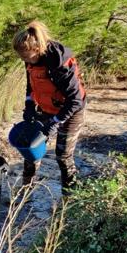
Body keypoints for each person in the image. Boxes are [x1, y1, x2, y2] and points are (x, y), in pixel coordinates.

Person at [12, 21, 87, 191]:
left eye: (25, 56)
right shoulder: (30, 59)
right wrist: (29, 106)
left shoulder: (58, 63)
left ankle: (70, 196)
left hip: (71, 111)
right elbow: (30, 85)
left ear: (37, 49)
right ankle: (25, 192)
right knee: (30, 148)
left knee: (63, 156)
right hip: (47, 107)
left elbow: (75, 99)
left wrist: (56, 121)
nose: (22, 60)